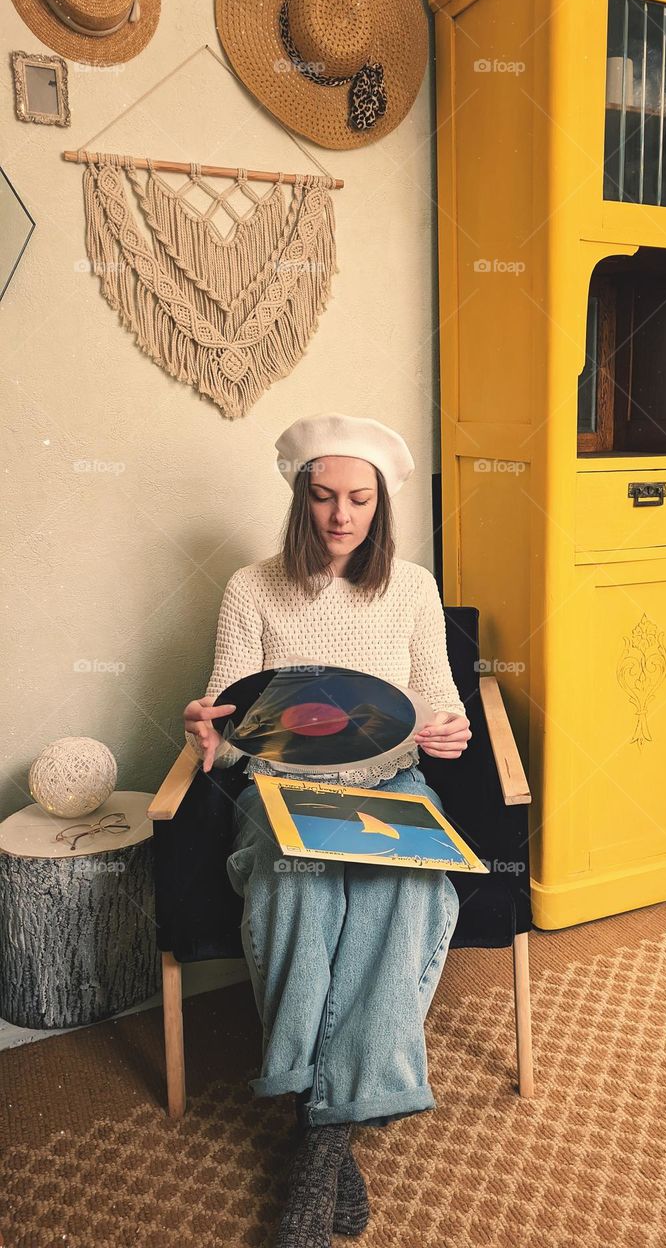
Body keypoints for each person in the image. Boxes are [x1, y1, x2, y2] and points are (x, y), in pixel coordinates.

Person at [181, 413, 471, 1248]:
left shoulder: (411, 587)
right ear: (299, 498)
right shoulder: (250, 588)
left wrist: (446, 732)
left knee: (401, 884)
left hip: (390, 785)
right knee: (294, 886)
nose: (341, 516)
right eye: (323, 497)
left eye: (358, 499)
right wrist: (205, 729)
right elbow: (230, 719)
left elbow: (438, 702)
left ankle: (317, 1131)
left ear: (381, 506)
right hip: (279, 791)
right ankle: (335, 1124)